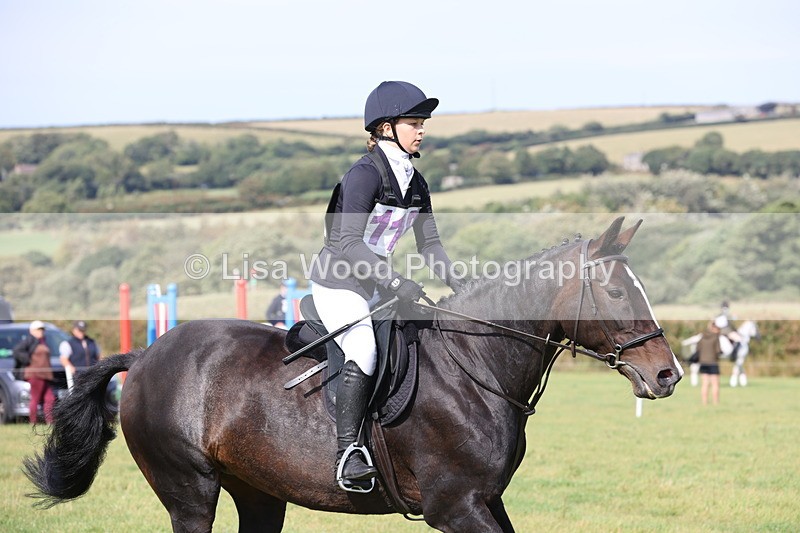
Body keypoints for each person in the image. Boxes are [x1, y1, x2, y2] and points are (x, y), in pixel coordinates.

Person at [309, 81, 461, 488]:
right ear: (386, 127)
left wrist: (463, 283)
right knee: (364, 347)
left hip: (377, 284)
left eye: (423, 123)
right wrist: (395, 280)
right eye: (414, 122)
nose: (422, 130)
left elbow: (431, 246)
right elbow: (346, 242)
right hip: (338, 283)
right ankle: (348, 453)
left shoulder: (417, 183)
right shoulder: (363, 176)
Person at [12, 320, 55, 424]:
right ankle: (33, 422)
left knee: (50, 399)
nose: (41, 332)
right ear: (32, 331)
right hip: (35, 374)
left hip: (45, 375)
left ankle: (50, 421)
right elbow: (17, 351)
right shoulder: (30, 340)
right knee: (35, 398)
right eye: (39, 329)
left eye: (42, 329)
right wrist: (28, 360)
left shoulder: (43, 341)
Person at [59, 320, 100, 387]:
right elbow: (63, 359)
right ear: (74, 330)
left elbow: (98, 357)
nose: (81, 332)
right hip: (77, 377)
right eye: (79, 330)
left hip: (93, 376)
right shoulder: (68, 343)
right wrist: (70, 367)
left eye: (83, 330)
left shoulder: (92, 342)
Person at [697, 321, 723, 405]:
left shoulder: (702, 337)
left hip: (703, 363)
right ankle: (716, 402)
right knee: (715, 384)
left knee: (705, 384)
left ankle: (704, 402)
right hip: (713, 363)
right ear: (713, 328)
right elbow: (718, 351)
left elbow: (698, 349)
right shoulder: (716, 337)